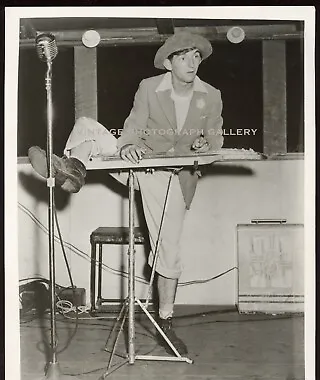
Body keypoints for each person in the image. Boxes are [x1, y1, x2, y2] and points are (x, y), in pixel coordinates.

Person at [28, 31, 224, 356]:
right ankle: (72, 168)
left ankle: (166, 322)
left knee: (169, 253)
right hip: (138, 162)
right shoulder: (150, 87)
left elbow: (215, 136)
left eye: (197, 57)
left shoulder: (210, 95)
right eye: (185, 56)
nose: (192, 62)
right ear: (169, 63)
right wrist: (130, 145)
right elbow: (132, 126)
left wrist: (206, 143)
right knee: (87, 125)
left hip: (171, 179)